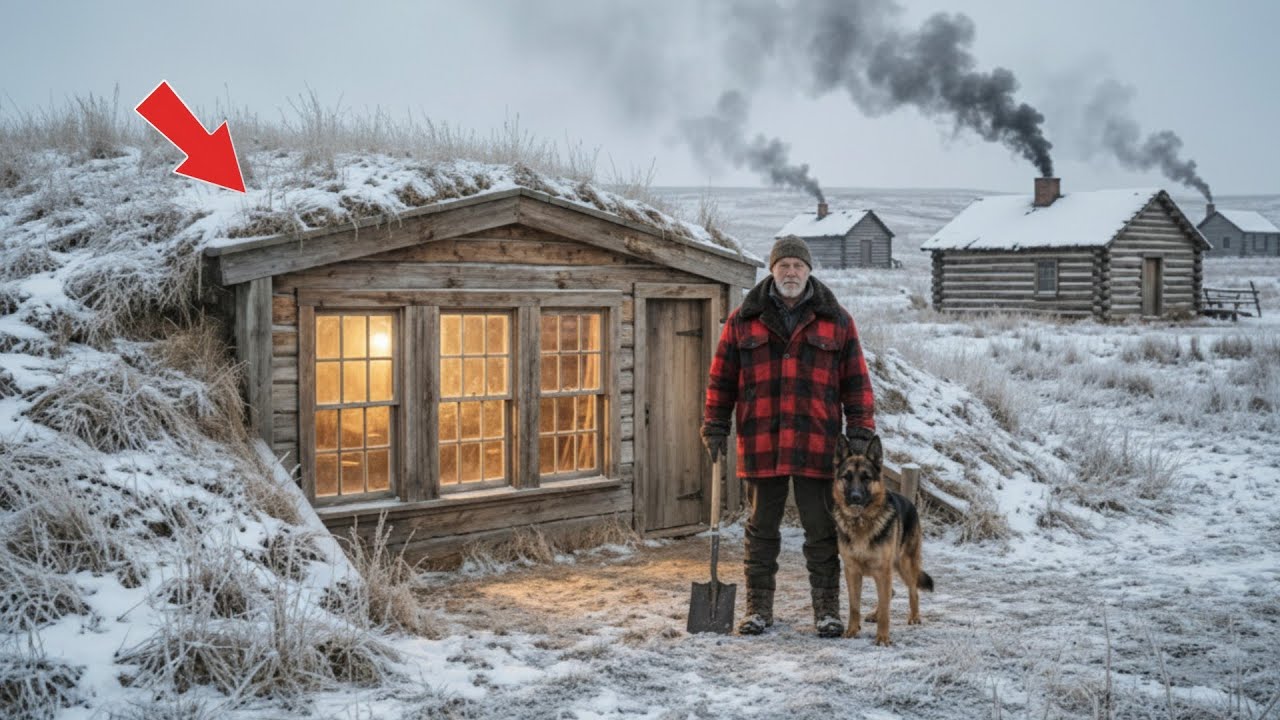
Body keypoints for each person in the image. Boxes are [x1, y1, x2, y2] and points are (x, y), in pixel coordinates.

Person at [701, 234, 876, 637]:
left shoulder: (839, 320)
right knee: (760, 530)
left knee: (822, 531)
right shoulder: (743, 319)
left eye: (798, 266)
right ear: (772, 270)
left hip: (818, 443)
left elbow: (856, 383)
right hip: (762, 440)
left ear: (809, 271)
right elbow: (721, 378)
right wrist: (715, 423)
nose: (791, 273)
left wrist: (862, 431)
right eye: (784, 266)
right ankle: (758, 610)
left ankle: (827, 611)